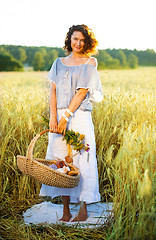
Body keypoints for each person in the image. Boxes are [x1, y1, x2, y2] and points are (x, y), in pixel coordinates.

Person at [40, 24, 103, 222]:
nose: (78, 43)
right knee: (60, 160)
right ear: (70, 40)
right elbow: (53, 91)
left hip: (79, 116)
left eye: (82, 40)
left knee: (82, 157)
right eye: (75, 39)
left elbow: (82, 92)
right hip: (58, 117)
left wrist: (65, 117)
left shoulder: (90, 62)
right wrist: (53, 118)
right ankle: (66, 210)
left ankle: (83, 210)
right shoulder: (58, 62)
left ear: (87, 42)